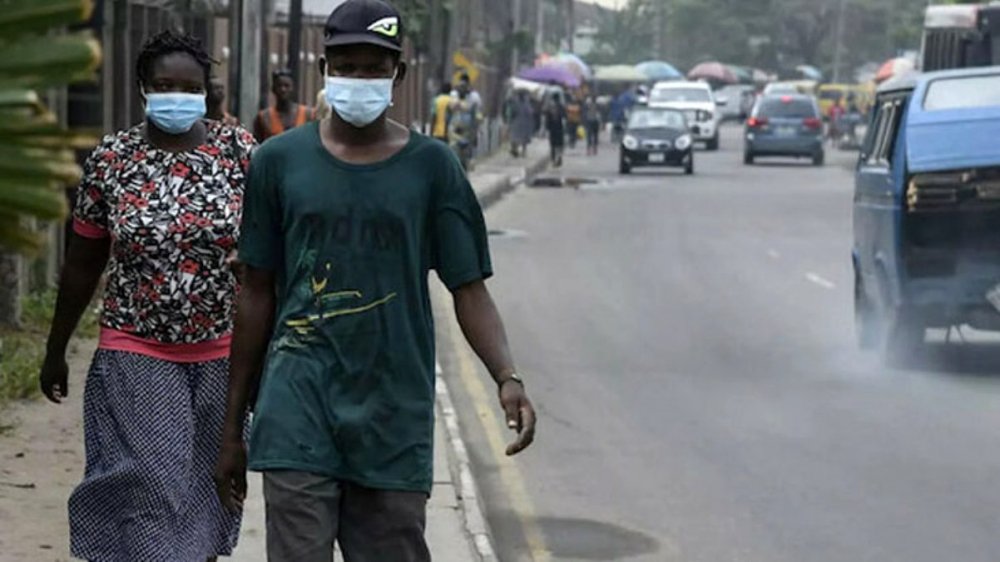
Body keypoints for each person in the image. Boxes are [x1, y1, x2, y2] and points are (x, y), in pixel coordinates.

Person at [213, 2, 537, 562]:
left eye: (372, 68)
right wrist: (233, 426)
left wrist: (506, 375)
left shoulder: (434, 168)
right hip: (297, 407)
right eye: (346, 66)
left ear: (398, 75)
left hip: (393, 412)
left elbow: (469, 289)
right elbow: (256, 293)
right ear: (324, 69)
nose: (359, 79)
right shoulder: (277, 162)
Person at [39, 30, 256, 562]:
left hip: (221, 354)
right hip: (137, 349)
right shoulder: (114, 159)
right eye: (163, 84)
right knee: (153, 489)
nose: (176, 96)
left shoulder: (241, 154)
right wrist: (55, 347)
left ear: (207, 91)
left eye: (189, 86)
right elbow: (83, 260)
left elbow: (272, 254)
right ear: (142, 88)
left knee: (208, 492)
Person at [253, 68, 315, 143]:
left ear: (293, 89)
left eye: (287, 86)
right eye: (279, 86)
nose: (283, 89)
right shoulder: (264, 117)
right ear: (273, 89)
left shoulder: (308, 115)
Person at [448, 86, 477, 170]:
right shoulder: (469, 106)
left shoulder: (454, 105)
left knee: (456, 159)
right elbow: (473, 122)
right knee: (463, 160)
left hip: (455, 136)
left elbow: (449, 118)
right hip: (464, 135)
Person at [508, 89, 535, 157]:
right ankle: (521, 151)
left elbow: (512, 112)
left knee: (515, 136)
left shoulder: (516, 102)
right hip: (523, 122)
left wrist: (510, 119)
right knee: (522, 138)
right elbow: (530, 112)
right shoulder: (526, 103)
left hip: (518, 121)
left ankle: (517, 150)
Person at [545, 94, 567, 167]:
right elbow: (565, 117)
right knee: (559, 144)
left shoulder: (549, 107)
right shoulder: (561, 107)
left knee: (553, 145)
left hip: (552, 128)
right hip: (559, 127)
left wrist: (547, 127)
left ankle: (554, 159)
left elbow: (547, 117)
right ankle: (559, 157)